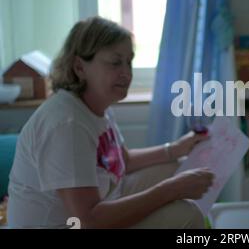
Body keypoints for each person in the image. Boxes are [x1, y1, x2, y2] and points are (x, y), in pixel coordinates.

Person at [7, 16, 214, 229]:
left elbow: (123, 160)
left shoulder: (95, 106)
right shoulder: (67, 124)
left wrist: (176, 148)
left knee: (175, 167)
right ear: (79, 67)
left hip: (100, 203)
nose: (126, 73)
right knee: (187, 215)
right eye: (115, 62)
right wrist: (171, 190)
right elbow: (89, 221)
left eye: (129, 61)